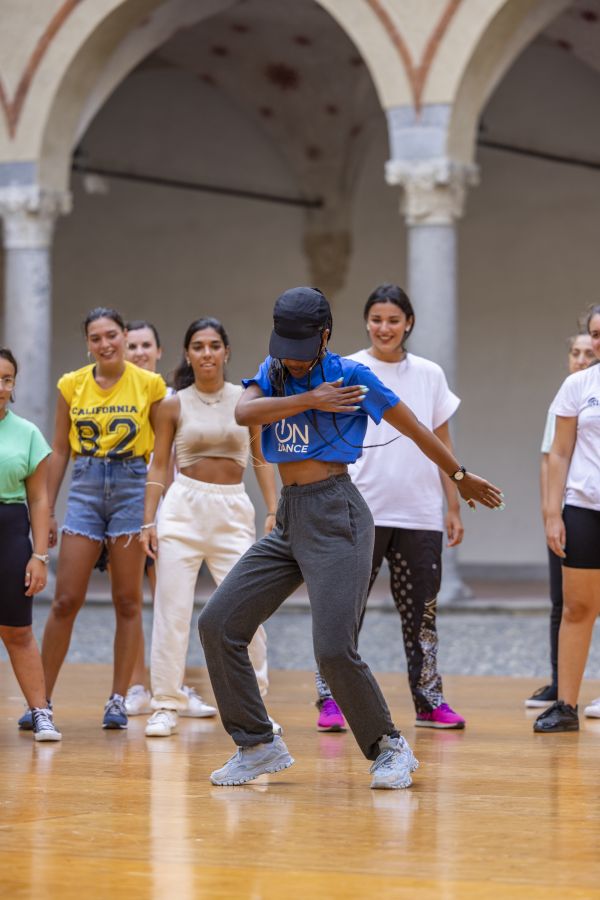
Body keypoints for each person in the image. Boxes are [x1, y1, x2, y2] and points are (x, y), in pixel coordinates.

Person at [198, 286, 503, 789]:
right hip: (291, 517)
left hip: (338, 514)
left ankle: (390, 748)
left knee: (334, 649)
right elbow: (243, 413)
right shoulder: (274, 370)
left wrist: (459, 476)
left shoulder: (353, 375)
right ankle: (257, 743)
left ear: (325, 336)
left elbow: (415, 427)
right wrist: (309, 399)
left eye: (303, 349)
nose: (294, 360)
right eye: (287, 349)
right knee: (218, 623)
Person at [314, 284, 466, 732]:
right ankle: (330, 699)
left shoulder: (429, 374)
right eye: (377, 319)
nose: (385, 328)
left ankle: (429, 701)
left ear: (409, 323)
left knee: (422, 614)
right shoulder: (347, 369)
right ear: (366, 322)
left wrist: (453, 505)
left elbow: (441, 440)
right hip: (358, 510)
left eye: (394, 320)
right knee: (344, 611)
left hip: (420, 512)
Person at [18, 308, 166, 732]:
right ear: (88, 343)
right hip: (85, 485)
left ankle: (118, 698)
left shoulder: (150, 385)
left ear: (124, 336)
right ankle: (41, 701)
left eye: (112, 335)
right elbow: (60, 449)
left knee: (128, 600)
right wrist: (47, 510)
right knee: (66, 599)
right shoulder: (72, 384)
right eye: (96, 337)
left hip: (131, 485)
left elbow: (160, 457)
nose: (105, 344)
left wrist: (150, 515)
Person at [140, 318, 278, 738]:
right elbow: (159, 465)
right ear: (187, 354)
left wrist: (274, 509)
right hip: (182, 508)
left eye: (214, 345)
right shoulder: (173, 404)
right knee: (172, 611)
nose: (206, 353)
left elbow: (261, 459)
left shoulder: (247, 399)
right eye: (198, 346)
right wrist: (149, 519)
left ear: (226, 351)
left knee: (247, 611)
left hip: (232, 511)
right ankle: (166, 703)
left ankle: (255, 707)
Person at [534, 305, 600, 732]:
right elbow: (558, 452)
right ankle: (565, 706)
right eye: (595, 333)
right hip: (584, 509)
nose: (598, 341)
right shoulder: (578, 385)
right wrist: (552, 513)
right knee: (577, 608)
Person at [0, 349, 61, 741]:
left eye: (6, 379)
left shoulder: (27, 434)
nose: (0, 386)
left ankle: (41, 712)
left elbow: (39, 499)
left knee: (18, 630)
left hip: (9, 532)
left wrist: (39, 555)